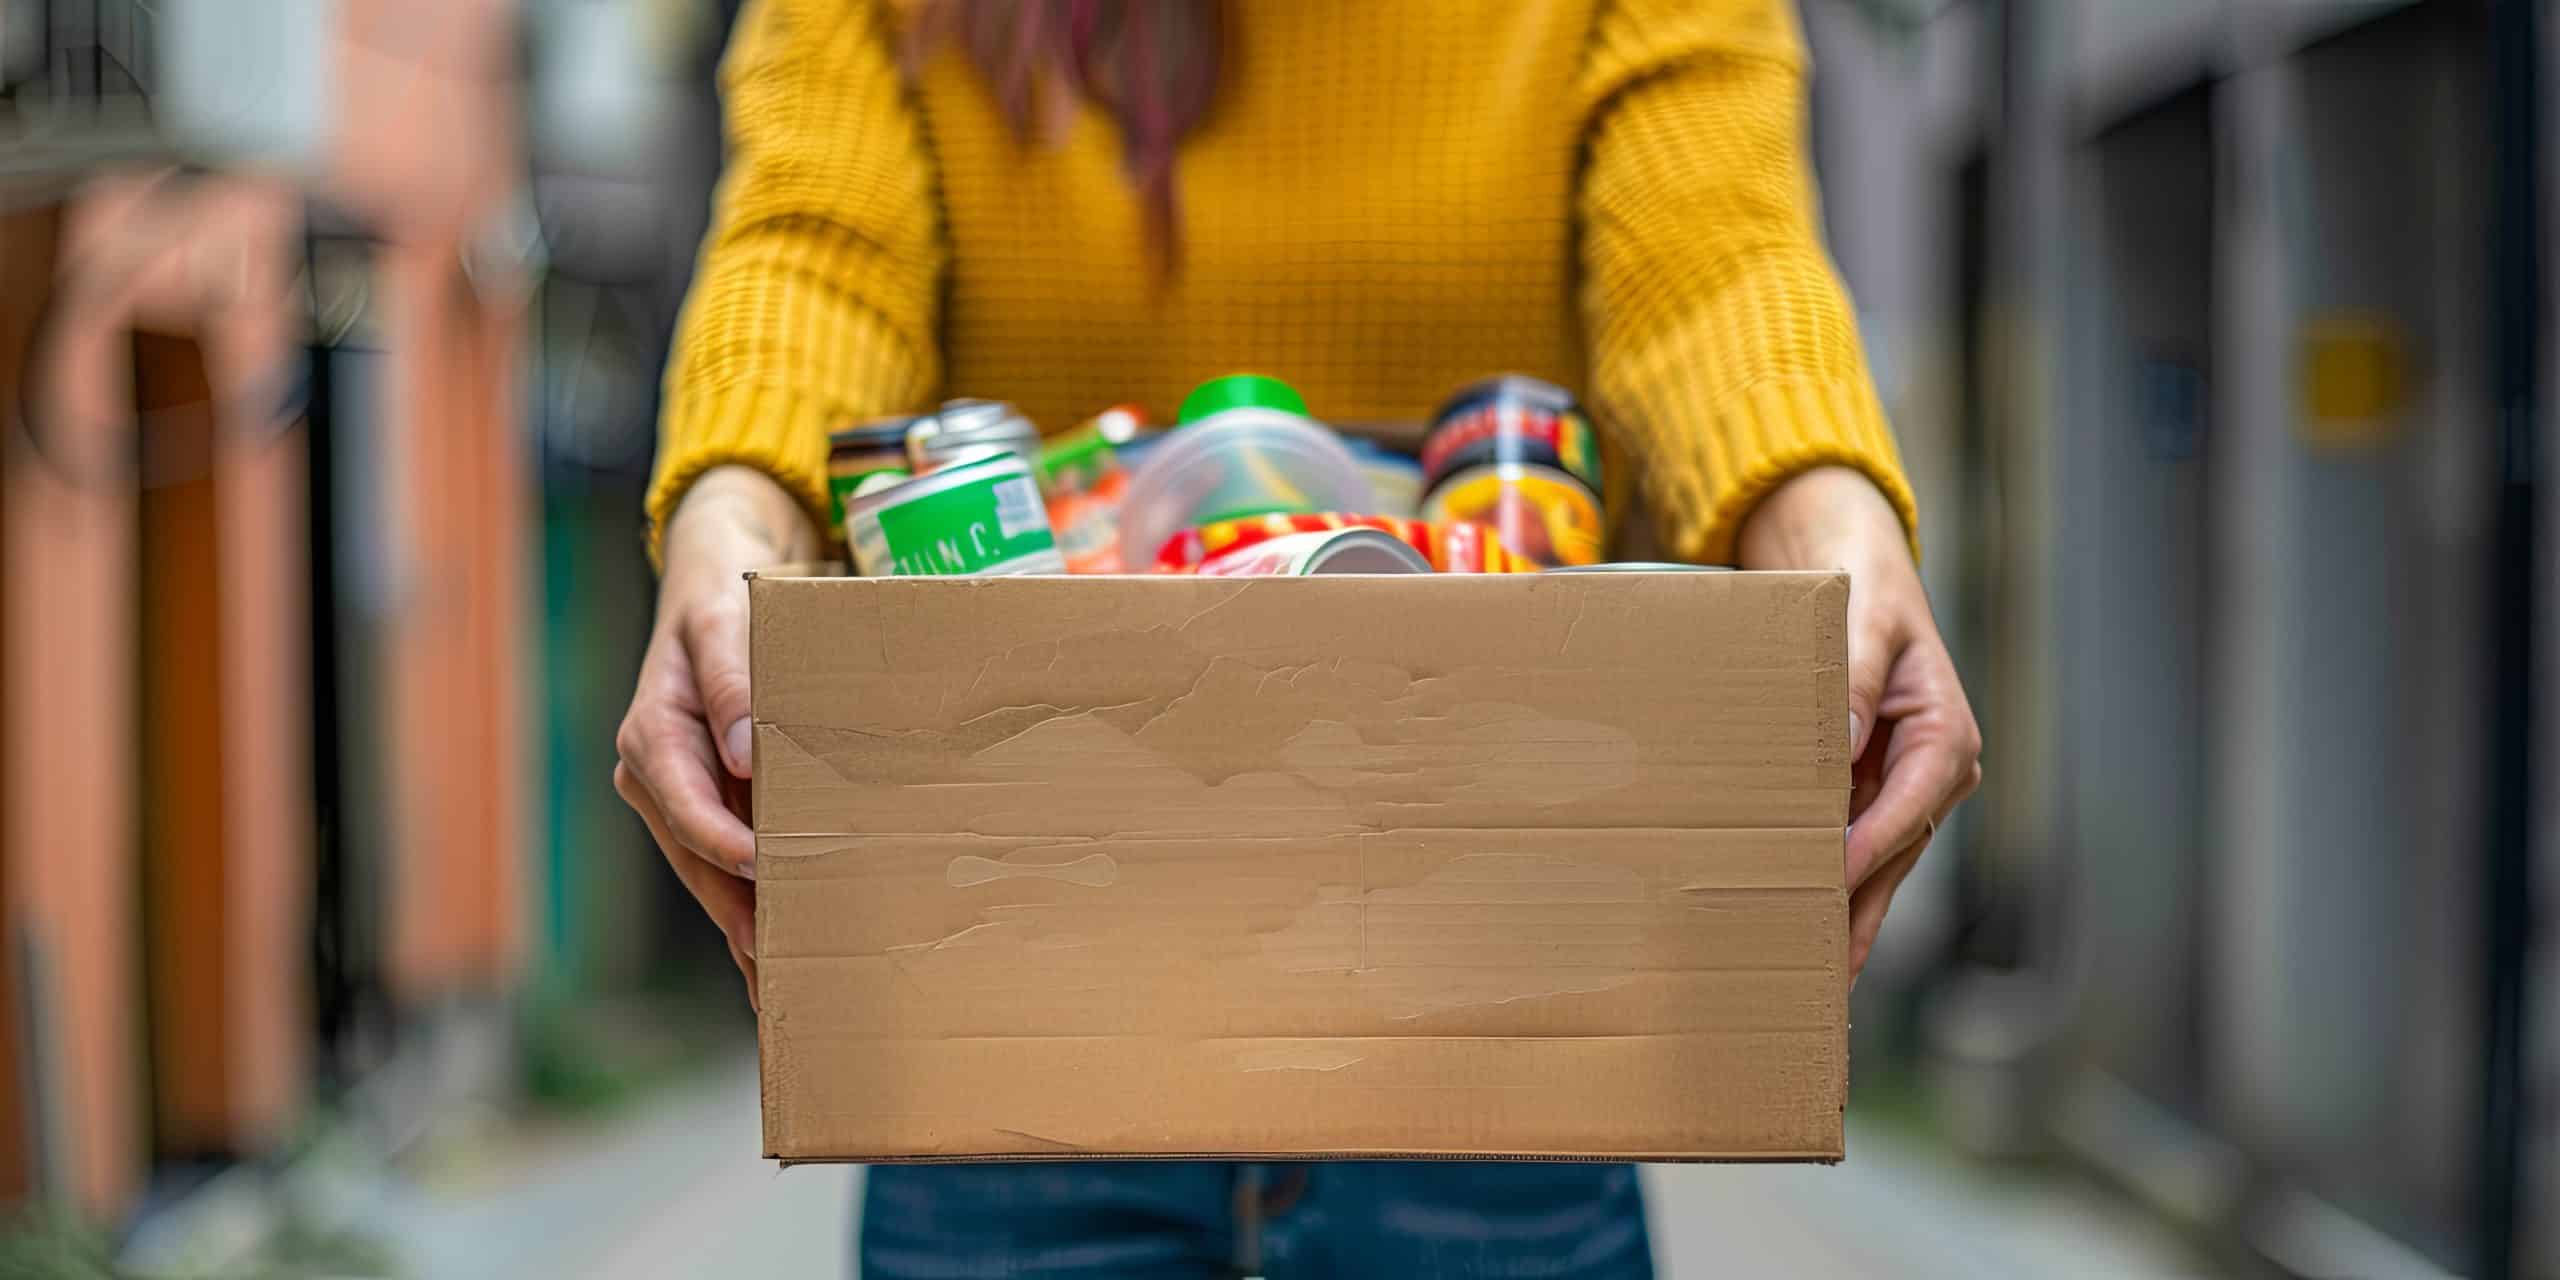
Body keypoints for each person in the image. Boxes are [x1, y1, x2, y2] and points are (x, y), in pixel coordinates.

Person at [616, 0, 1983, 1272]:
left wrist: (1837, 541)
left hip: (1496, 1006)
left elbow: (1711, 259)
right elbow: (817, 255)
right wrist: (728, 534)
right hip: (1014, 1001)